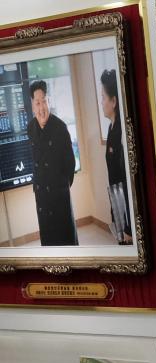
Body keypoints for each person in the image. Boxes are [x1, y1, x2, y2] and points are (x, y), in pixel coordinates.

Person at [27, 80, 78, 246]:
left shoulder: (60, 128)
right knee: (49, 246)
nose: (41, 108)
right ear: (33, 105)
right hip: (42, 199)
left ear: (48, 101)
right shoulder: (31, 128)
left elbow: (70, 166)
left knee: (67, 245)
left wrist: (60, 187)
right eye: (37, 103)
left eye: (44, 101)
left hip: (59, 200)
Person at [99, 69, 132, 245]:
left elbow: (128, 180)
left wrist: (129, 227)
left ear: (114, 101)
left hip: (128, 213)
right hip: (118, 203)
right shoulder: (111, 128)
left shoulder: (122, 130)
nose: (101, 102)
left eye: (103, 97)